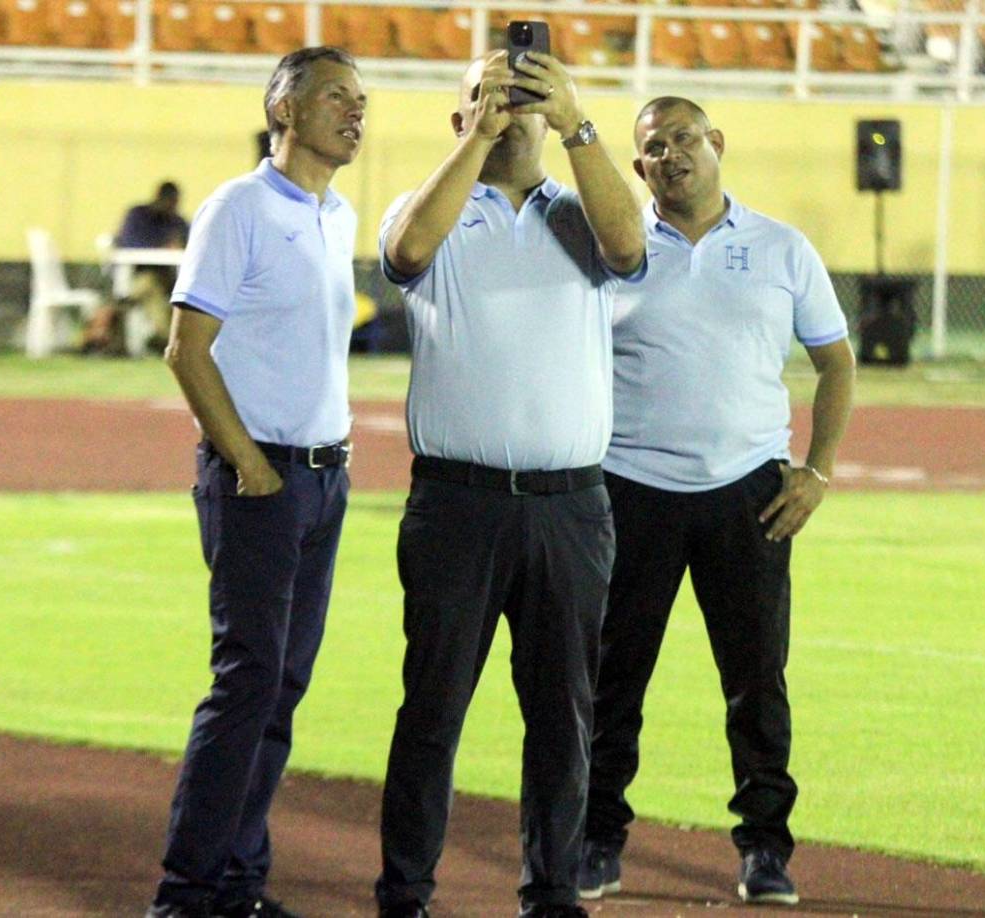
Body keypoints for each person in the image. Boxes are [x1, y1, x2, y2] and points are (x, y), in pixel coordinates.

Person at [374, 50, 646, 918]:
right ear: (459, 117)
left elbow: (631, 245)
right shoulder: (433, 207)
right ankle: (406, 891)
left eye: (527, 93)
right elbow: (407, 247)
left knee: (563, 718)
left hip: (571, 505)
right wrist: (480, 136)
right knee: (433, 710)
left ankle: (553, 892)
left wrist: (578, 126)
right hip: (457, 503)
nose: (510, 106)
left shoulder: (583, 207)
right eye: (488, 95)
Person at [578, 96, 855, 907]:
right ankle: (597, 840)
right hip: (630, 490)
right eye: (654, 147)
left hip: (749, 493)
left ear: (717, 143)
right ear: (637, 168)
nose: (672, 155)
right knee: (612, 680)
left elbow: (835, 362)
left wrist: (818, 469)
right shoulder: (614, 246)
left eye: (685, 139)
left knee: (756, 682)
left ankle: (764, 849)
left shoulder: (781, 247)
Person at [145, 46, 366, 918]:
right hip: (262, 480)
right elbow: (184, 349)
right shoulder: (238, 208)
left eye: (362, 99)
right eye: (336, 97)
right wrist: (246, 463)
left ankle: (237, 881)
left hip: (324, 480)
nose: (356, 112)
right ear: (284, 108)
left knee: (280, 688)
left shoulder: (339, 212)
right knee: (246, 684)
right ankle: (187, 894)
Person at [115, 180, 190, 350]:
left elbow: (190, 242)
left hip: (169, 278)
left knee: (150, 287)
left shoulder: (177, 221)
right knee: (150, 285)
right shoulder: (138, 216)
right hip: (138, 274)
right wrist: (163, 246)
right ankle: (164, 336)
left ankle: (121, 303)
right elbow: (129, 243)